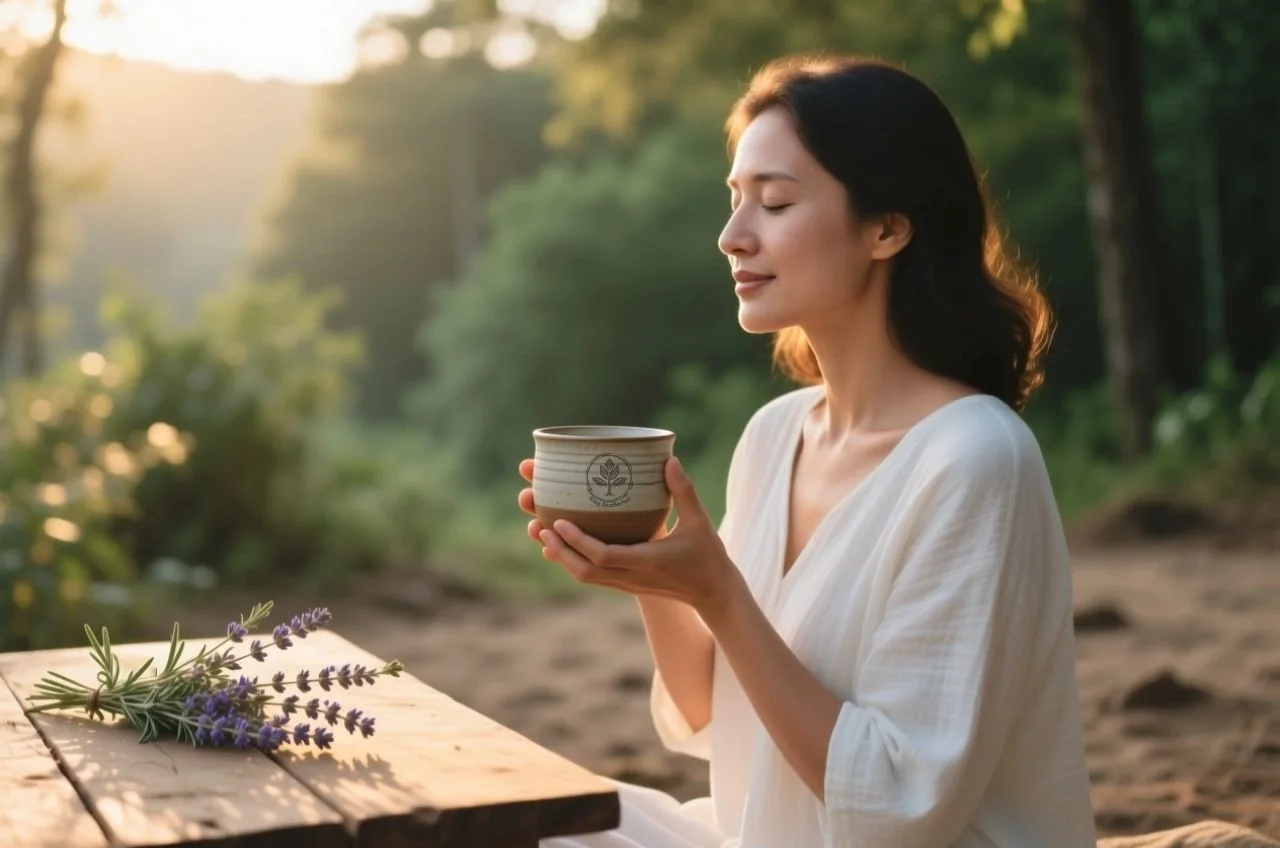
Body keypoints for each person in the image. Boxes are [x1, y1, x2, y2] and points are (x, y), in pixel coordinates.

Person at [517, 54, 1098, 847]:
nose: (732, 237)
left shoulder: (976, 461)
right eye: (735, 199)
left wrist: (721, 593)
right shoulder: (776, 435)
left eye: (776, 203)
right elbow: (709, 709)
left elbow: (896, 805)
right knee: (512, 822)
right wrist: (649, 564)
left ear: (886, 228)